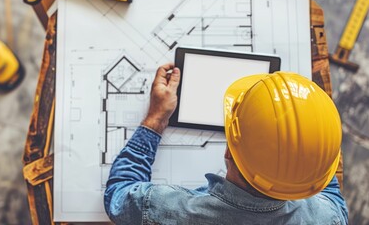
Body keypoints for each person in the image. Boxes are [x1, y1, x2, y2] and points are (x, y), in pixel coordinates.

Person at [104, 63, 348, 224]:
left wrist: (155, 119)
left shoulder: (171, 211)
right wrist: (309, 128)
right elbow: (327, 187)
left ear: (230, 150)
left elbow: (118, 195)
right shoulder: (329, 217)